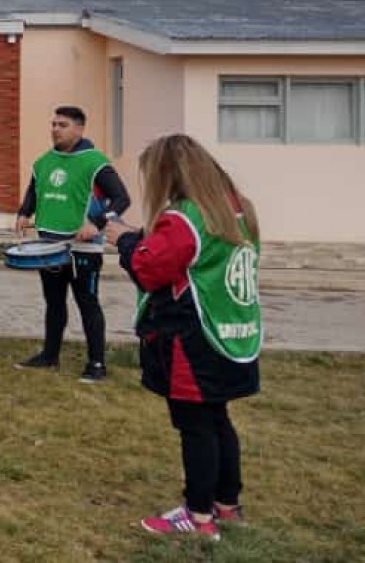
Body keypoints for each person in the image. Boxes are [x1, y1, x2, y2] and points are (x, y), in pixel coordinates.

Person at [103, 134, 261, 540]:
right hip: (231, 335)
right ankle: (227, 506)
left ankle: (198, 515)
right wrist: (142, 236)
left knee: (195, 426)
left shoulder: (185, 217)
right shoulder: (236, 209)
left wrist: (122, 239)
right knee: (218, 419)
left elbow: (149, 267)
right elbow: (186, 254)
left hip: (193, 340)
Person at [14, 105, 130, 382]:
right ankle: (49, 356)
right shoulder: (43, 162)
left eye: (62, 125)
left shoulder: (95, 162)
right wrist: (23, 213)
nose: (55, 129)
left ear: (79, 129)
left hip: (82, 249)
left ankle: (97, 365)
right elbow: (34, 190)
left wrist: (97, 225)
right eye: (53, 124)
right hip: (48, 245)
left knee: (87, 303)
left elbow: (122, 199)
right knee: (53, 303)